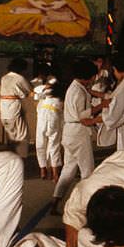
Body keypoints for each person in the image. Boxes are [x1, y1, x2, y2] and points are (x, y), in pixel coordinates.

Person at [50, 58, 98, 213]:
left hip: (70, 133)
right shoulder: (78, 91)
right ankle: (85, 206)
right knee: (87, 171)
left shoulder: (75, 87)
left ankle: (55, 202)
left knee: (68, 169)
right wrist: (99, 108)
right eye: (93, 76)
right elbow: (82, 116)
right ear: (88, 76)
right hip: (78, 132)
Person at [86, 55, 124, 151]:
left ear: (117, 69)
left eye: (114, 70)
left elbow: (115, 112)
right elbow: (113, 98)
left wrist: (93, 120)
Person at [33, 67, 64, 182]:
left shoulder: (47, 92)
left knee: (42, 144)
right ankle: (52, 173)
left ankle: (45, 170)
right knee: (53, 145)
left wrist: (46, 86)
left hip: (46, 117)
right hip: (52, 117)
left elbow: (36, 94)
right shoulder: (57, 95)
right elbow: (36, 94)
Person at [0, 57, 33, 158]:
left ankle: (11, 157)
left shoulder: (4, 77)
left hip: (4, 109)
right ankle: (21, 158)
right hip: (14, 108)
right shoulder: (20, 78)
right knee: (22, 135)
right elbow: (29, 91)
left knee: (11, 136)